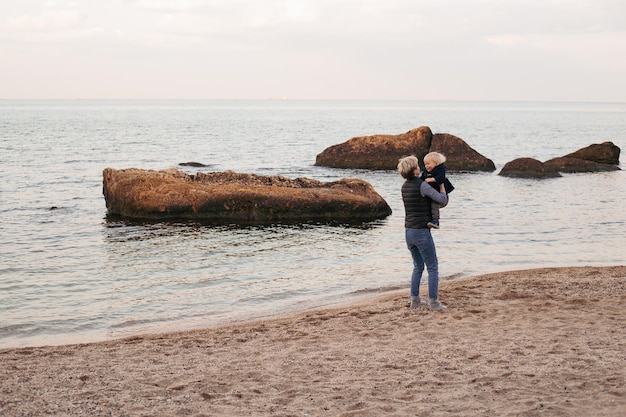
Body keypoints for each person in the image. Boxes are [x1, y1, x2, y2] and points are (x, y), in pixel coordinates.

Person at [398, 155, 449, 311]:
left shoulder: (404, 186)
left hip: (408, 232)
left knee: (417, 266)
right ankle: (434, 303)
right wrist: (442, 186)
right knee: (432, 267)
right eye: (418, 165)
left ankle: (415, 300)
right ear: (415, 170)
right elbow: (442, 200)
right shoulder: (422, 185)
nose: (420, 167)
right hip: (421, 232)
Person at [420, 152, 454, 229]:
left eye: (428, 164)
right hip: (432, 193)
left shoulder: (440, 169)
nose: (426, 166)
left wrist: (432, 179)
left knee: (434, 204)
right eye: (425, 164)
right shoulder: (426, 171)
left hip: (441, 194)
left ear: (436, 163)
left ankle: (435, 221)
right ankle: (428, 219)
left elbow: (441, 178)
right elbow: (422, 178)